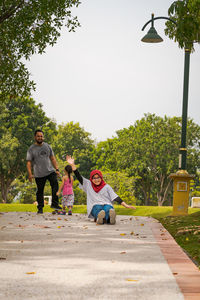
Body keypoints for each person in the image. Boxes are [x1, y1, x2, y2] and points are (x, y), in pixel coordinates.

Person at [66, 155, 136, 225]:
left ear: (101, 177)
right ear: (91, 179)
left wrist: (125, 205)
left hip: (106, 204)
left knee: (108, 209)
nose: (96, 180)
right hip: (95, 205)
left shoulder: (106, 186)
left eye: (98, 177)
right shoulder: (88, 184)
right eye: (94, 178)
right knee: (98, 209)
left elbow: (115, 197)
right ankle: (103, 218)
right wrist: (72, 165)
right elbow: (78, 176)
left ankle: (107, 218)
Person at [26, 129, 62, 214]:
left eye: (41, 136)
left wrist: (57, 169)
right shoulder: (31, 149)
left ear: (43, 137)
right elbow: (28, 162)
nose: (40, 137)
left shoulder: (47, 146)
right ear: (35, 137)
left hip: (50, 171)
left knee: (55, 184)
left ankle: (54, 204)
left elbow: (52, 158)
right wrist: (30, 174)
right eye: (38, 136)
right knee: (40, 191)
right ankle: (40, 208)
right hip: (39, 174)